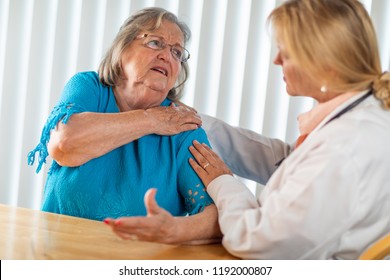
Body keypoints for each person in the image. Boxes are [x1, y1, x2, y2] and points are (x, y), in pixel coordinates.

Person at [187, 0, 390, 259]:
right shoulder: (365, 115)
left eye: (288, 53)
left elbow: (256, 241)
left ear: (326, 61)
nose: (277, 60)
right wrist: (198, 123)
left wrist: (221, 181)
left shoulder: (345, 146)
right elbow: (291, 164)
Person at [27, 7, 221, 244]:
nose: (167, 56)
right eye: (155, 43)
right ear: (122, 50)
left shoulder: (182, 129)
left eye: (177, 52)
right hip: (55, 256)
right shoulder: (89, 88)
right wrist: (151, 120)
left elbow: (219, 216)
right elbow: (64, 145)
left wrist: (177, 229)